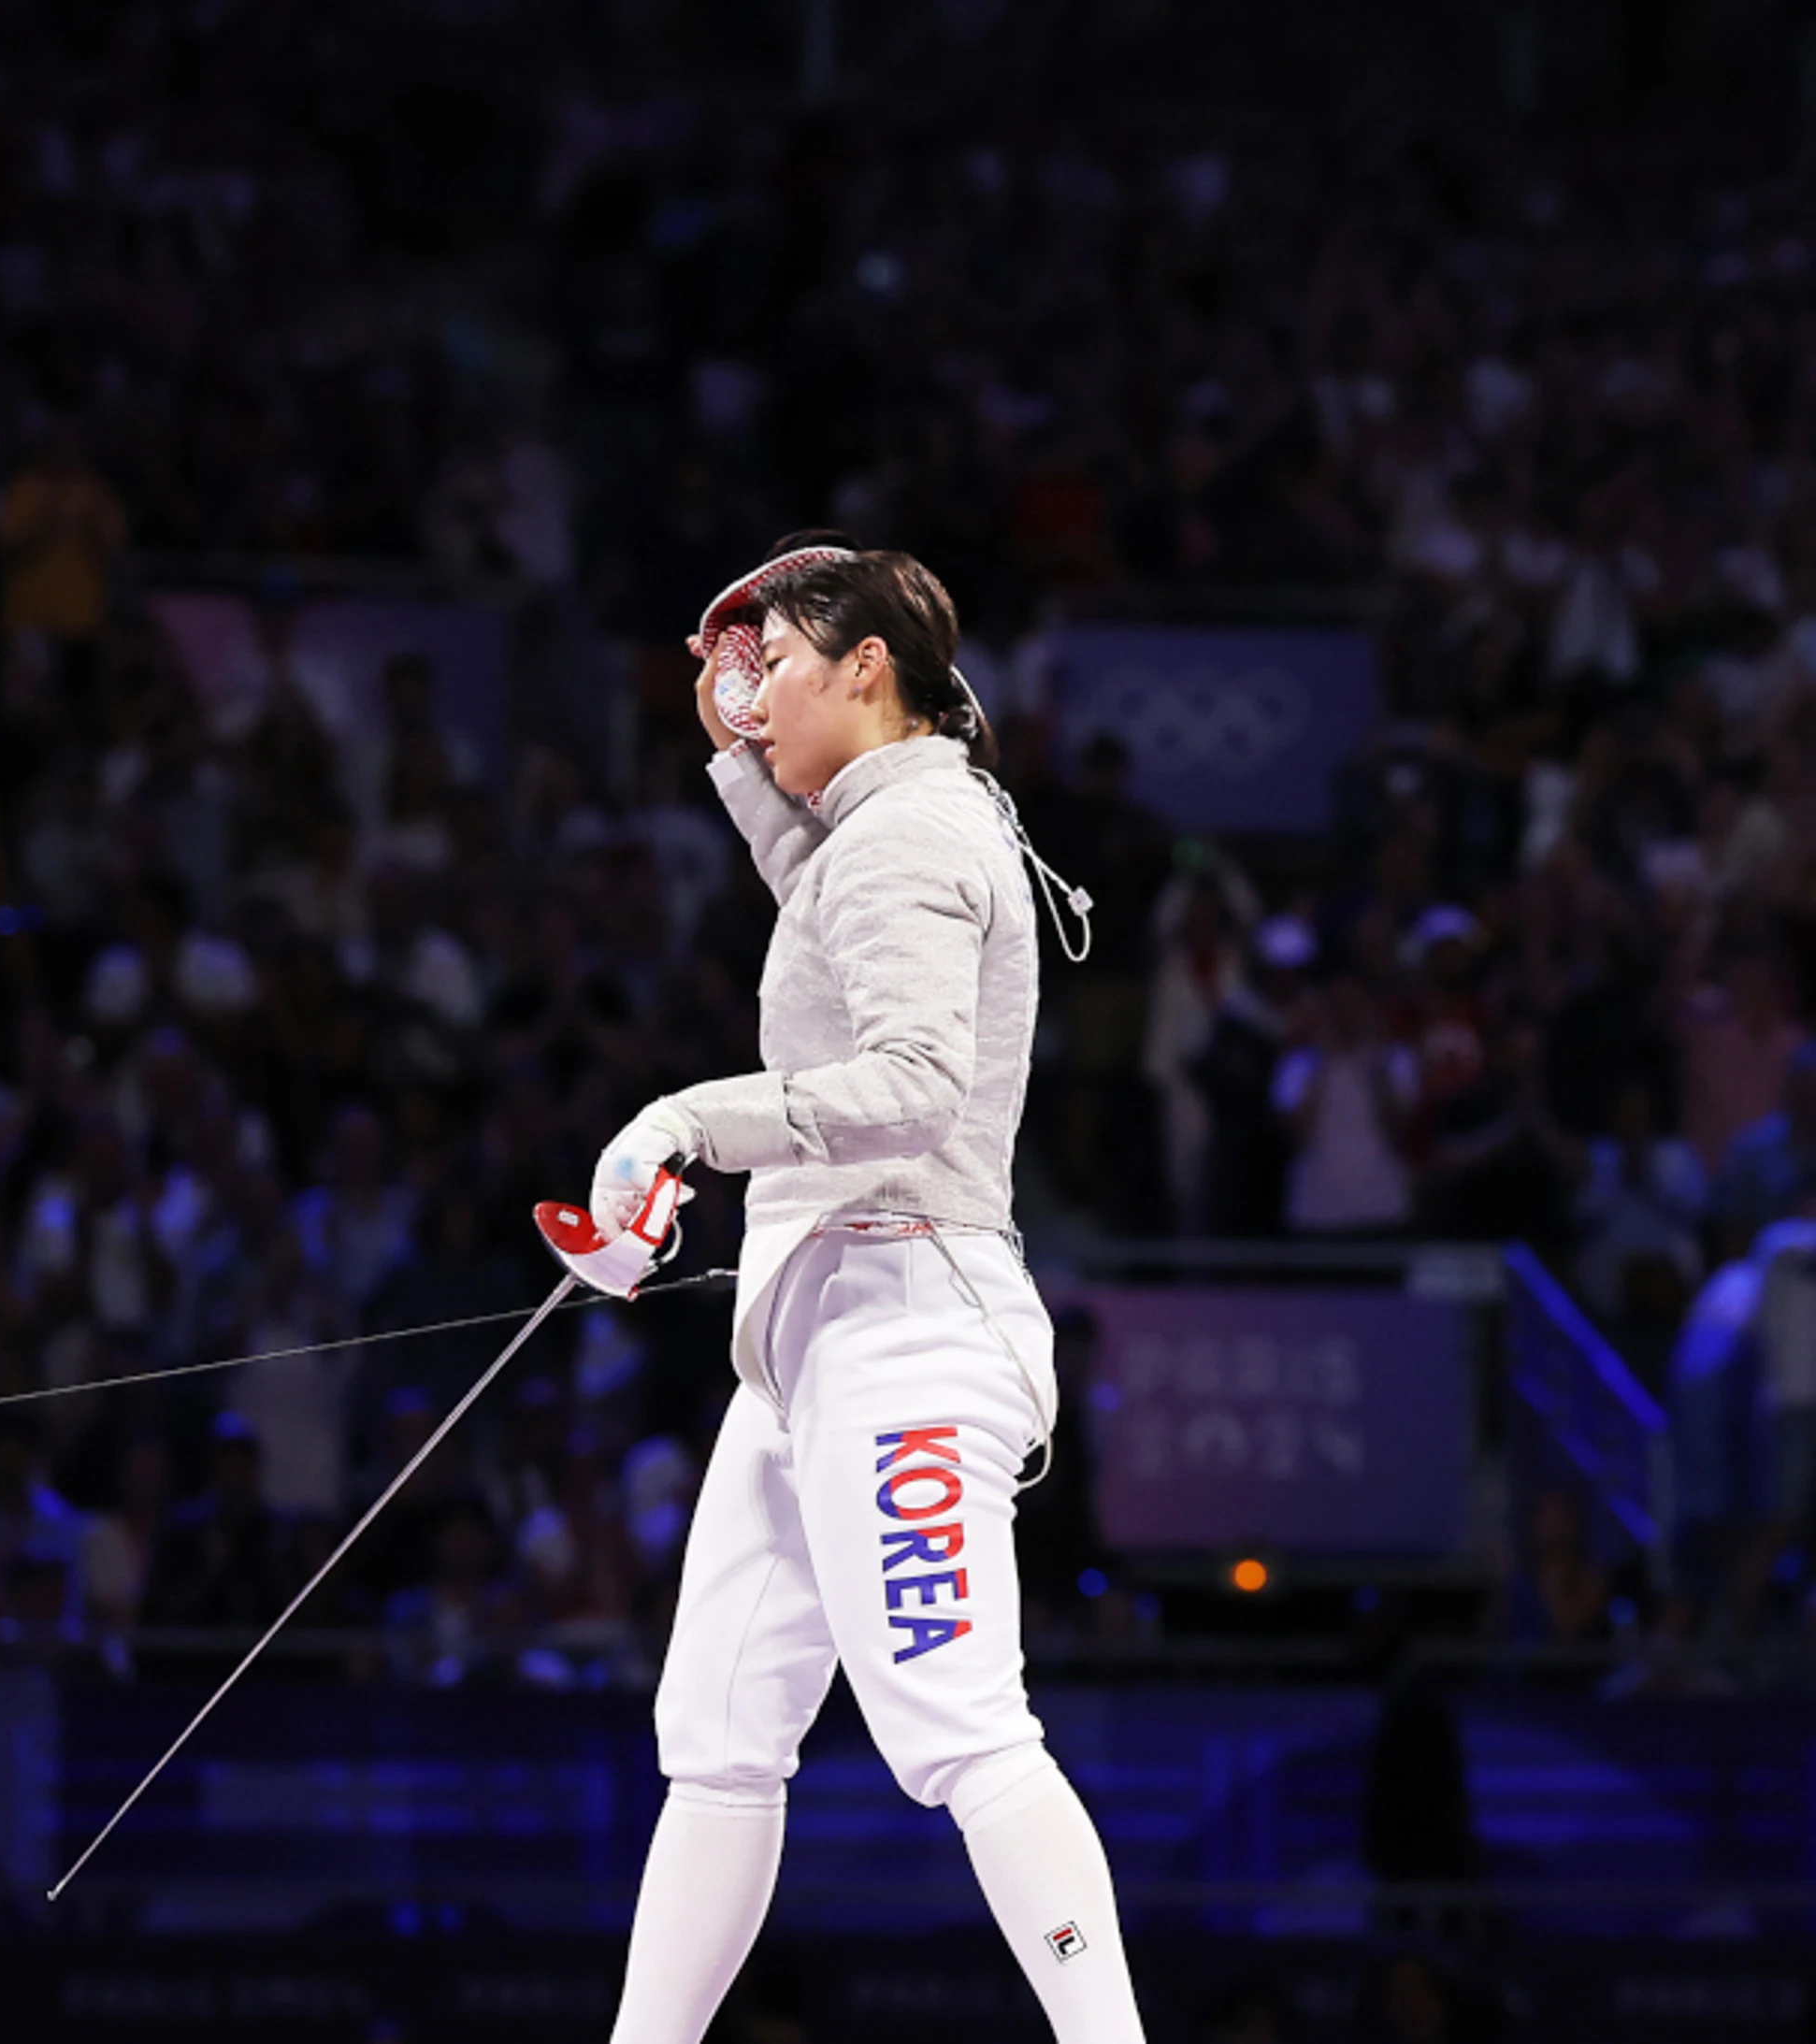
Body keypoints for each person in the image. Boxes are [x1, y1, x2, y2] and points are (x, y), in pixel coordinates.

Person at [580, 540, 1144, 2041]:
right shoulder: (893, 828)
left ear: (867, 665)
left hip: (903, 1331)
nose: (750, 698)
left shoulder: (914, 835)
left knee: (961, 1729)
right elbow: (829, 908)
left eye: (773, 665)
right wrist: (742, 767)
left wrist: (681, 1121)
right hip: (819, 1348)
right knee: (716, 1740)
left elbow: (908, 1080)